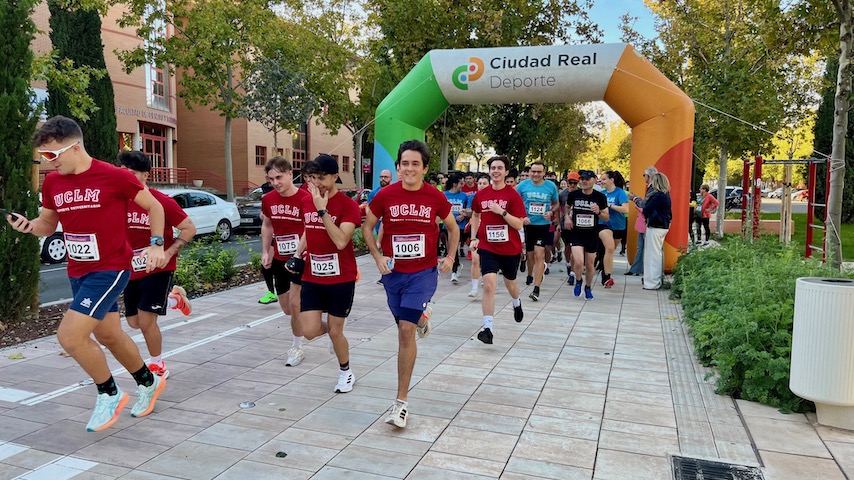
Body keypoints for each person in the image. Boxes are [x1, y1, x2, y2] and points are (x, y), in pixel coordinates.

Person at [6, 116, 167, 431]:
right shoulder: (53, 182)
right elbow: (47, 225)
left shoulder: (115, 176)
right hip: (78, 270)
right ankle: (148, 382)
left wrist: (157, 244)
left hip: (110, 268)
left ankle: (109, 392)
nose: (49, 162)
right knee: (109, 335)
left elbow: (155, 207)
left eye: (53, 155)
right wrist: (28, 227)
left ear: (75, 147)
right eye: (44, 156)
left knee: (69, 336)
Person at [363, 139, 458, 429]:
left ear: (425, 168)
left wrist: (450, 256)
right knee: (406, 321)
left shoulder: (435, 197)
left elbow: (453, 227)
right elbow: (367, 227)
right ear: (398, 166)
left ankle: (400, 403)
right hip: (393, 274)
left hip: (423, 273)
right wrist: (377, 256)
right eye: (405, 163)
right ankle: (421, 318)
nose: (409, 168)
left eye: (415, 163)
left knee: (405, 332)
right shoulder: (385, 195)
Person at [119, 151, 196, 380]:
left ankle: (157, 364)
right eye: (122, 173)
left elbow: (189, 228)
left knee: (146, 321)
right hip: (131, 268)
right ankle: (174, 300)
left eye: (131, 173)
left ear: (145, 175)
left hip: (159, 268)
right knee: (133, 322)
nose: (126, 178)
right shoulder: (117, 201)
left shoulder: (161, 201)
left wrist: (168, 252)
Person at [291, 155, 361, 393]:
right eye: (312, 178)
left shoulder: (348, 205)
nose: (316, 183)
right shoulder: (306, 201)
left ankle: (346, 372)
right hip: (312, 275)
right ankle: (334, 334)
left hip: (341, 278)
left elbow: (341, 241)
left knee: (336, 330)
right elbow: (307, 229)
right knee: (309, 331)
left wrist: (322, 210)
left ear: (335, 177)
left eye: (322, 178)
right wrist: (297, 253)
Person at [260, 156, 312, 367]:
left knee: (295, 303)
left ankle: (297, 347)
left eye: (279, 177)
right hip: (280, 258)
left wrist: (299, 252)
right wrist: (265, 251)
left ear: (290, 174)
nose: (275, 183)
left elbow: (311, 228)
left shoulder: (306, 198)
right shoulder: (268, 199)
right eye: (271, 179)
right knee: (287, 308)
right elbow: (267, 225)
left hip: (301, 259)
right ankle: (327, 327)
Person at [469, 155, 526, 344]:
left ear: (506, 172)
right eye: (493, 168)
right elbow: (475, 215)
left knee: (511, 284)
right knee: (489, 285)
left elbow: (519, 224)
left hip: (510, 248)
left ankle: (516, 302)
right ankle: (488, 329)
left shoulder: (513, 195)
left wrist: (502, 212)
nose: (496, 171)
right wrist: (474, 237)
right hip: (488, 247)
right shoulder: (481, 195)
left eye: (499, 168)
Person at [515, 161, 559, 301]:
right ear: (529, 172)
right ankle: (529, 274)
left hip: (542, 225)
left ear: (544, 173)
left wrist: (551, 212)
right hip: (527, 225)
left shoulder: (551, 186)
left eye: (539, 172)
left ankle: (536, 288)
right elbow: (514, 203)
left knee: (539, 254)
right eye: (533, 171)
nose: (535, 174)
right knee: (530, 254)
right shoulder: (522, 186)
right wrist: (522, 217)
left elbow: (556, 204)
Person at [565, 170, 609, 301]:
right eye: (582, 179)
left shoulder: (600, 197)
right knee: (578, 261)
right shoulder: (574, 195)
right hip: (577, 232)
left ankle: (588, 287)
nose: (584, 181)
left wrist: (598, 212)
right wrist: (567, 218)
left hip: (591, 233)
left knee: (590, 264)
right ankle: (578, 280)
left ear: (594, 180)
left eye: (587, 179)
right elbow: (566, 207)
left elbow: (606, 217)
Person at [639, 172, 672, 290]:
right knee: (657, 253)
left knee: (652, 255)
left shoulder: (657, 196)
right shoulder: (666, 195)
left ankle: (652, 282)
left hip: (655, 226)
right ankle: (655, 281)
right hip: (663, 226)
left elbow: (646, 209)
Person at [598, 171, 629, 288]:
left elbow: (626, 209)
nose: (602, 181)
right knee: (609, 248)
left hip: (619, 226)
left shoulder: (620, 193)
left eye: (604, 179)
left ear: (611, 180)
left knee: (609, 251)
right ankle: (607, 276)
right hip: (604, 224)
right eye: (601, 179)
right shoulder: (601, 194)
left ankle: (603, 267)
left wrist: (610, 205)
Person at [443, 174, 470, 284]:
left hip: (461, 225)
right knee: (452, 247)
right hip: (448, 225)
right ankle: (454, 270)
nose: (462, 185)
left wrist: (463, 215)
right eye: (461, 183)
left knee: (459, 245)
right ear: (455, 184)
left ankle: (457, 265)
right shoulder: (444, 195)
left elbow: (468, 209)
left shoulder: (464, 196)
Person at [468, 174, 490, 297]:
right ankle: (474, 288)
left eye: (484, 183)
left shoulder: (494, 197)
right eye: (480, 183)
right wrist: (473, 237)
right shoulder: (474, 197)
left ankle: (490, 281)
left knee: (489, 261)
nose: (481, 186)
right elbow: (473, 214)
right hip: (477, 232)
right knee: (475, 259)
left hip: (491, 233)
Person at [258, 180, 278, 304]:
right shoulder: (266, 202)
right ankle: (271, 292)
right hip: (272, 238)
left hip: (286, 239)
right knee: (266, 264)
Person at [559, 172, 580, 285]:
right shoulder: (562, 195)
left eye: (574, 183)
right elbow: (559, 209)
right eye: (570, 182)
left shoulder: (581, 193)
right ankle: (568, 264)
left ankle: (572, 272)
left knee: (575, 248)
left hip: (578, 225)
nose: (572, 185)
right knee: (567, 248)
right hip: (565, 225)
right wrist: (558, 223)